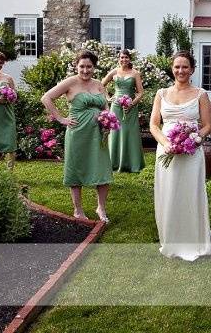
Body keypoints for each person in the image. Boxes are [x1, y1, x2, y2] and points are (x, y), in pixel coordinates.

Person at [150, 50, 211, 261]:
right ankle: (171, 239)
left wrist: (195, 138)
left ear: (192, 69)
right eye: (177, 66)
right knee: (168, 193)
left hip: (191, 151)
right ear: (172, 69)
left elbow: (207, 126)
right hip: (166, 151)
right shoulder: (161, 93)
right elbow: (153, 125)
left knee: (189, 192)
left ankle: (193, 239)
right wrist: (166, 143)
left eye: (185, 67)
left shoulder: (200, 94)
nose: (180, 70)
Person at [41, 50, 112, 222]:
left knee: (102, 170)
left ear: (94, 67)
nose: (85, 70)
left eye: (89, 67)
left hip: (98, 133)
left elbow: (105, 107)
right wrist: (61, 119)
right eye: (82, 66)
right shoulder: (70, 82)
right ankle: (78, 210)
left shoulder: (99, 84)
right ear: (76, 66)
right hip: (77, 132)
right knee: (76, 168)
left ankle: (101, 208)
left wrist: (108, 121)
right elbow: (46, 98)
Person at [101, 49, 145, 172]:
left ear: (129, 59)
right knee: (115, 132)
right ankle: (114, 163)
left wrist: (132, 103)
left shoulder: (135, 73)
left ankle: (132, 164)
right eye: (121, 57)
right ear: (118, 59)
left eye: (126, 57)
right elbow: (101, 85)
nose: (123, 60)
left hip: (130, 108)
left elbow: (141, 93)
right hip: (116, 107)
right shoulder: (114, 72)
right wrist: (108, 97)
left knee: (130, 133)